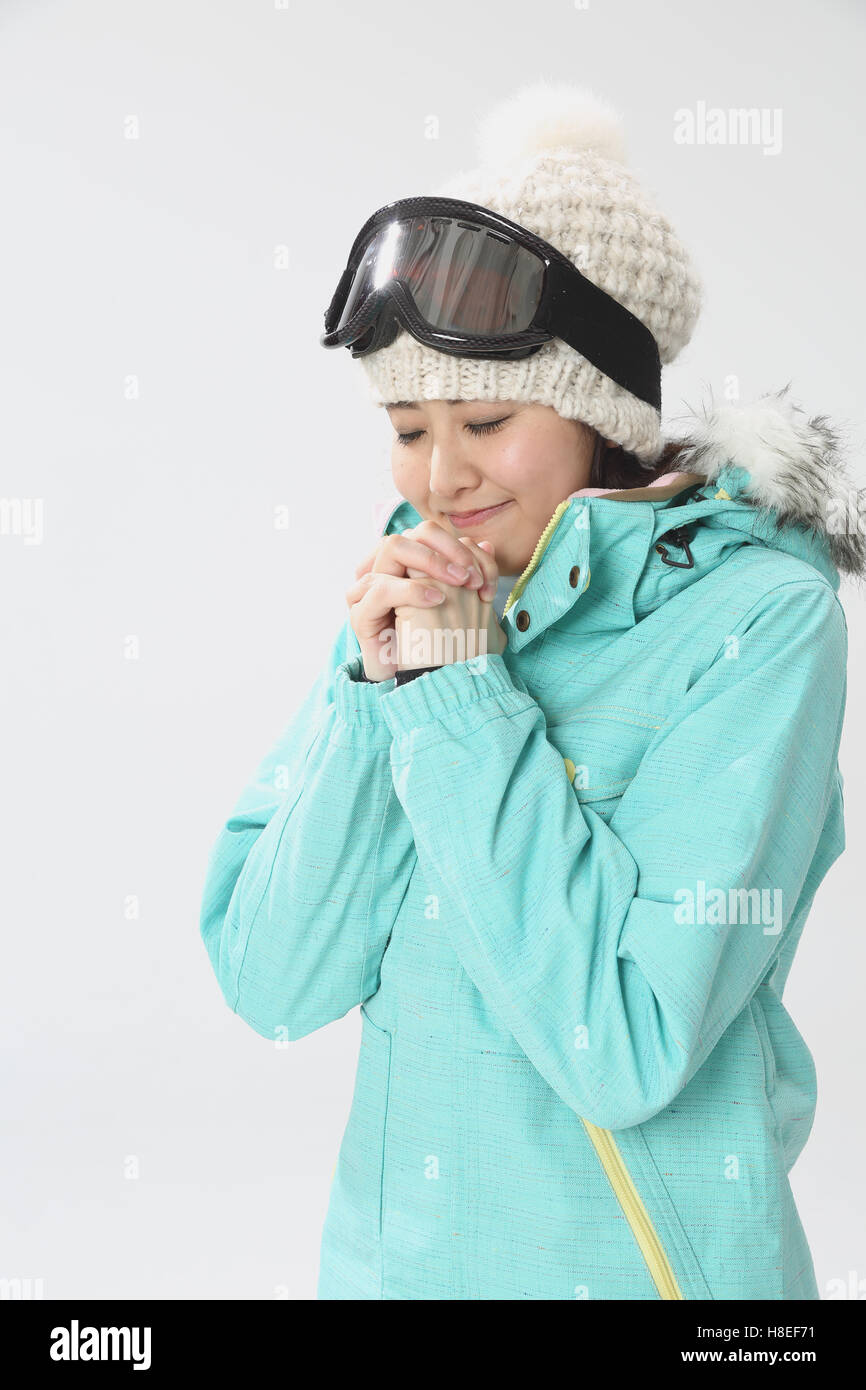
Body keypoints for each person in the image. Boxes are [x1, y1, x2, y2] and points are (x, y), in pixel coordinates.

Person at [198, 82, 864, 1300]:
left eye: (487, 421)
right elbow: (274, 985)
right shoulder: (422, 597)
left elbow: (623, 1042)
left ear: (594, 409)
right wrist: (374, 690)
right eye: (405, 426)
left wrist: (459, 701)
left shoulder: (758, 623)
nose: (439, 477)